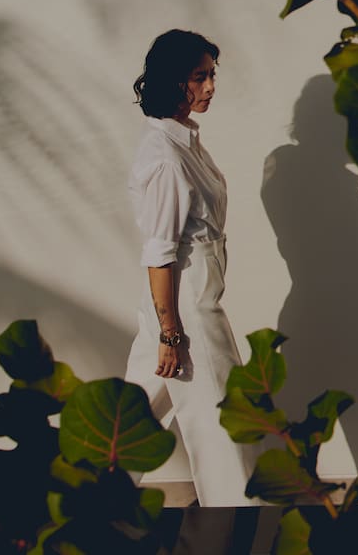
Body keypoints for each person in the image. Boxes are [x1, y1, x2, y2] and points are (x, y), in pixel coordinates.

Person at [123, 29, 258, 507]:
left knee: (130, 423)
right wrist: (171, 333)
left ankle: (76, 504)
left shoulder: (185, 143)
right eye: (200, 77)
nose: (211, 87)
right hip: (185, 306)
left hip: (191, 298)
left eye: (212, 75)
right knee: (225, 425)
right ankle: (237, 523)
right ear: (173, 81)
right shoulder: (164, 156)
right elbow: (159, 253)